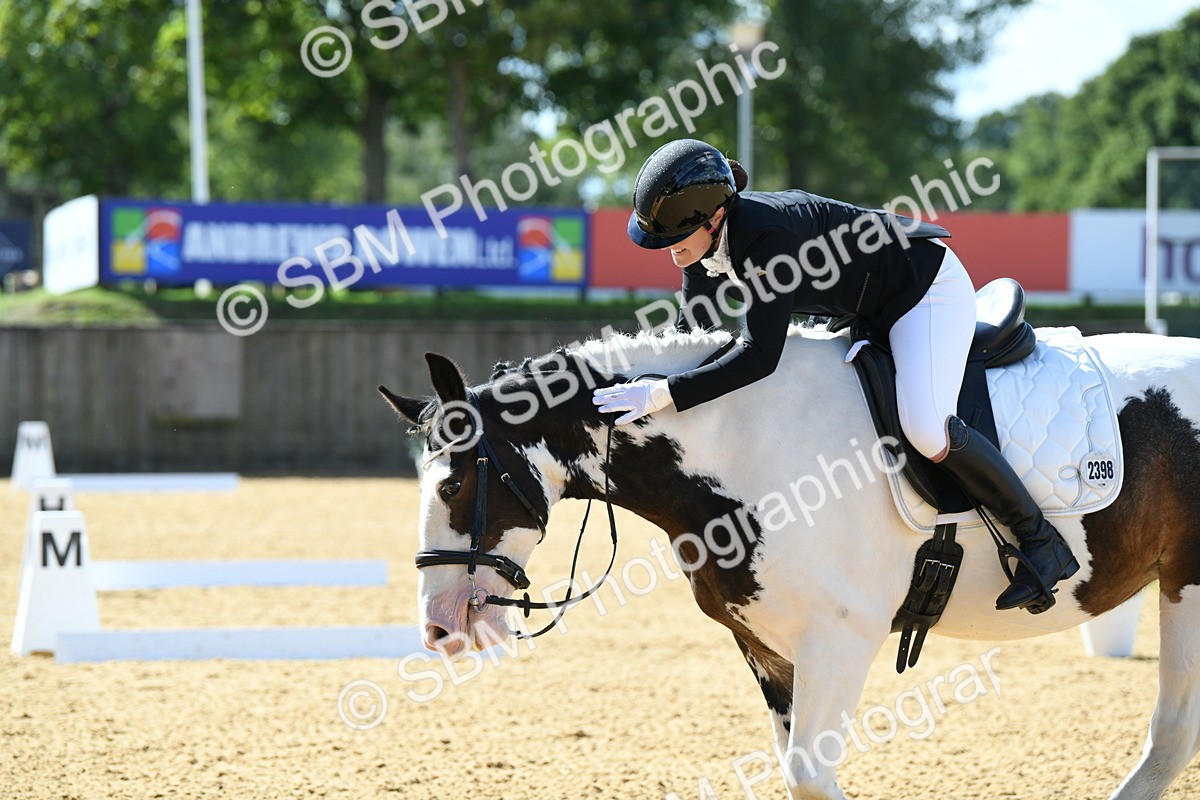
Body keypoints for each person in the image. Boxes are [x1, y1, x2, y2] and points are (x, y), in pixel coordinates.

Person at [591, 138, 1078, 614]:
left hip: (924, 290)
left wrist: (665, 393)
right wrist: (650, 387)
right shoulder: (704, 246)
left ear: (714, 217)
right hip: (870, 304)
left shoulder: (764, 240)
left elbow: (762, 355)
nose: (666, 250)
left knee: (926, 427)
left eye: (673, 237)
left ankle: (1040, 540)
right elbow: (692, 335)